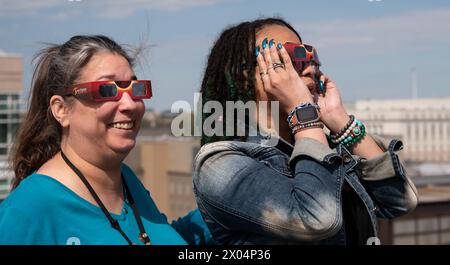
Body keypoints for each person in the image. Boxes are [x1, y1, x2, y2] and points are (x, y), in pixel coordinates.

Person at [192, 18, 418, 245]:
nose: (310, 67)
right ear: (244, 76)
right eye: (291, 57)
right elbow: (316, 219)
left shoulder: (323, 147)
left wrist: (340, 121)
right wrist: (303, 113)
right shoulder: (221, 164)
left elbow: (399, 201)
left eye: (311, 57)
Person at [0, 35, 211, 245]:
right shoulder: (28, 208)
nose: (130, 104)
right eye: (107, 90)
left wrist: (221, 213)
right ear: (61, 109)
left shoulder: (126, 180)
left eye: (136, 89)